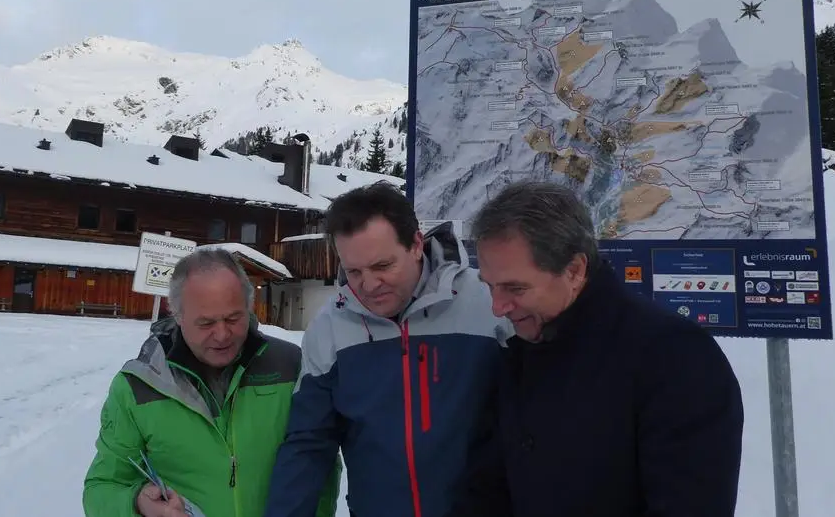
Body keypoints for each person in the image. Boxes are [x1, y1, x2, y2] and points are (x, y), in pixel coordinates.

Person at [452, 179, 745, 517]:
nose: (498, 306)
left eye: (515, 288)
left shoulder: (675, 358)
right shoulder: (519, 352)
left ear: (574, 270)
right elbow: (486, 492)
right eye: (490, 287)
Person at [264, 181, 512, 517]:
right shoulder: (330, 328)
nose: (368, 285)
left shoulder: (488, 303)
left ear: (415, 244)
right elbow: (308, 444)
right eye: (353, 271)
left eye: (382, 266)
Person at [82, 247, 341, 517]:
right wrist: (137, 503)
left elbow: (321, 463)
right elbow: (103, 487)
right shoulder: (138, 387)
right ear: (178, 316)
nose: (222, 335)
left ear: (249, 306)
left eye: (233, 318)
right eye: (205, 323)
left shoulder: (291, 366)